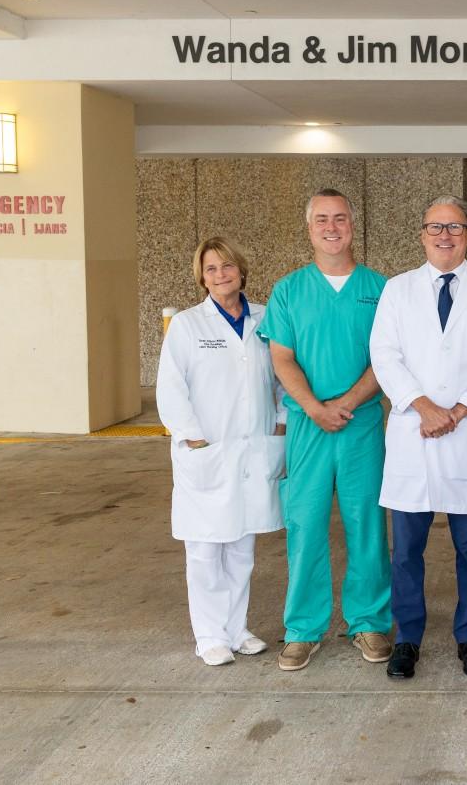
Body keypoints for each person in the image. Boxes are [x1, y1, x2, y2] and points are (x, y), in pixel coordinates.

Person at [369, 196, 467, 679]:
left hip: (465, 432)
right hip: (414, 431)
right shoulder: (397, 290)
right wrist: (424, 407)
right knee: (406, 550)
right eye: (436, 227)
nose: (444, 235)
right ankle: (407, 638)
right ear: (422, 234)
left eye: (454, 227)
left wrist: (459, 410)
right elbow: (384, 355)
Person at [259, 189, 393, 672]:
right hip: (307, 426)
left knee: (367, 525)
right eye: (321, 219)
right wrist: (315, 408)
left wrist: (347, 403)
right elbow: (282, 357)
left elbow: (388, 358)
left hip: (361, 425)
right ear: (309, 228)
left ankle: (369, 621)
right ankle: (302, 629)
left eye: (339, 218)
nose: (331, 227)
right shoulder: (288, 290)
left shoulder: (381, 289)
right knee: (305, 525)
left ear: (353, 225)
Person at [156, 237, 286, 666]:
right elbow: (170, 389)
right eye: (211, 269)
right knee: (206, 549)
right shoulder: (188, 326)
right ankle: (209, 635)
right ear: (202, 278)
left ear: (241, 271)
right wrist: (194, 439)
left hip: (254, 449)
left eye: (227, 266)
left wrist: (282, 422)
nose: (220, 275)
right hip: (208, 451)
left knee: (242, 548)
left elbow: (284, 378)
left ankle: (236, 629)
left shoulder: (265, 319)